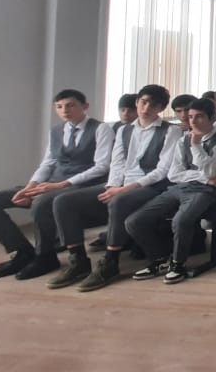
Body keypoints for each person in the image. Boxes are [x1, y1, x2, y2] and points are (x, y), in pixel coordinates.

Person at [54, 84, 182, 291]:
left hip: (153, 185)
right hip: (120, 184)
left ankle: (110, 261)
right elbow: (117, 163)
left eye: (153, 105)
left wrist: (124, 189)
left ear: (161, 108)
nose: (146, 108)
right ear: (137, 102)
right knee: (63, 201)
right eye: (143, 102)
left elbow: (163, 170)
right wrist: (113, 185)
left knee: (119, 201)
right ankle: (78, 260)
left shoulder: (171, 131)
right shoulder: (124, 130)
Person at [0, 89, 113, 280]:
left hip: (82, 187)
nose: (65, 110)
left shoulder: (101, 129)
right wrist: (31, 186)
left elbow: (102, 166)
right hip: (50, 185)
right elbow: (48, 163)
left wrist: (62, 185)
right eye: (59, 107)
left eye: (70, 105)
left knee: (42, 203)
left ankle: (45, 256)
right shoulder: (56, 131)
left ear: (85, 106)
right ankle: (22, 252)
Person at [124, 98, 216, 285]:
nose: (193, 121)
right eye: (191, 117)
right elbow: (174, 174)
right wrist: (203, 177)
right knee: (134, 221)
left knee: (181, 220)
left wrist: (197, 146)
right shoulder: (182, 140)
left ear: (211, 117)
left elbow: (211, 171)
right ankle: (159, 258)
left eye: (199, 116)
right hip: (180, 187)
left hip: (206, 192)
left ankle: (177, 263)